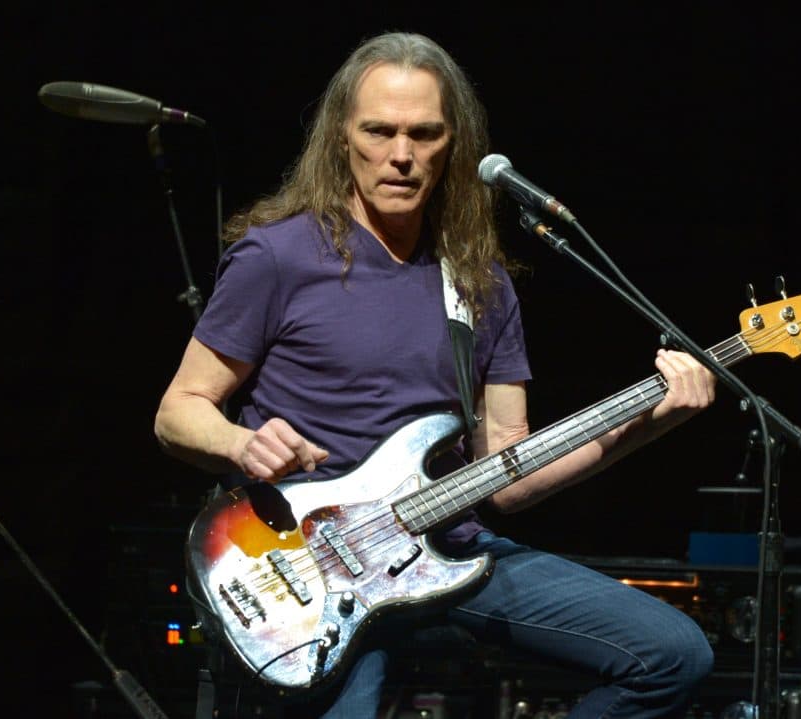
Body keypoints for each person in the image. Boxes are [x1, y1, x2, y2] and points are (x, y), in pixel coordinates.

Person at [154, 31, 717, 719]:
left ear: (453, 145)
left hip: (449, 555)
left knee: (673, 654)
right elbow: (178, 409)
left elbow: (509, 472)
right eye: (379, 131)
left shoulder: (479, 283)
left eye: (423, 134)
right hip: (312, 571)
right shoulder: (277, 257)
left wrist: (651, 422)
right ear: (340, 138)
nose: (401, 154)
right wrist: (243, 445)